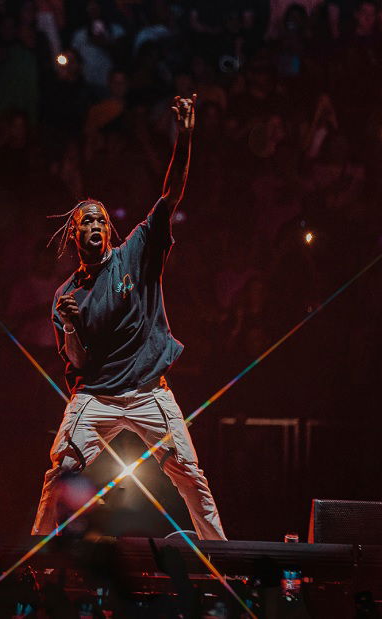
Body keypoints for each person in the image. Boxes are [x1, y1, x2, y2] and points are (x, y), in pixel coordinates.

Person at [32, 94, 227, 541]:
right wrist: (73, 325)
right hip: (96, 397)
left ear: (109, 228)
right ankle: (38, 561)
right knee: (59, 469)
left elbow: (171, 192)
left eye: (99, 219)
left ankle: (225, 563)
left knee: (190, 474)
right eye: (85, 221)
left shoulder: (136, 252)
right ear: (75, 233)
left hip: (146, 391)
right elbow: (78, 363)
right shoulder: (66, 295)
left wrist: (185, 137)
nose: (94, 224)